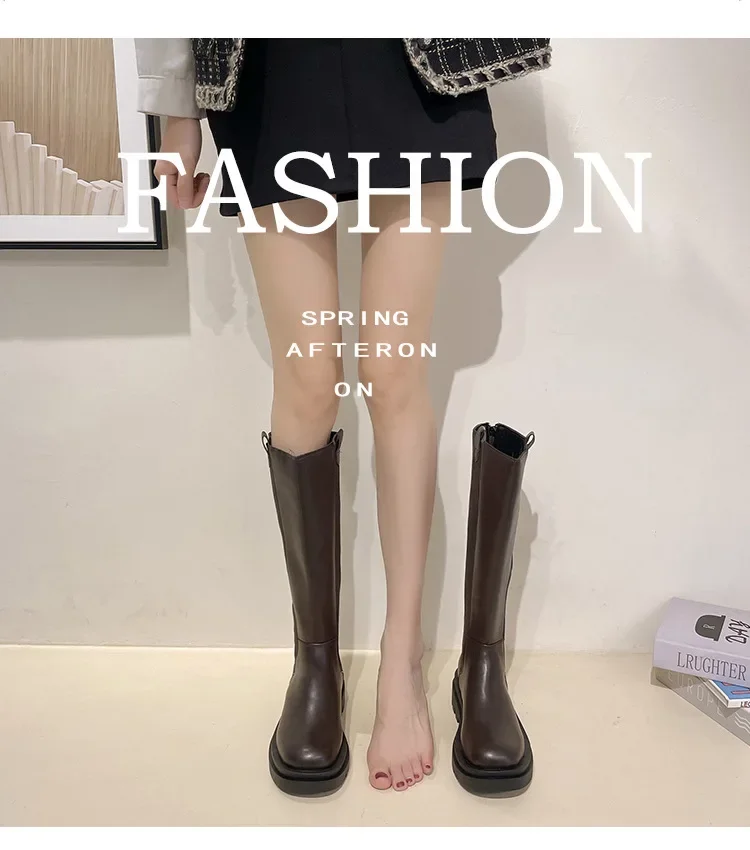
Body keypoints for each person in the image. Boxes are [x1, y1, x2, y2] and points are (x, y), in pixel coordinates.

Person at [136, 37, 543, 797]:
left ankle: (402, 665)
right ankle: (315, 662)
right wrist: (176, 108)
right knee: (307, 380)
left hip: (413, 52)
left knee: (394, 372)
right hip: (271, 56)